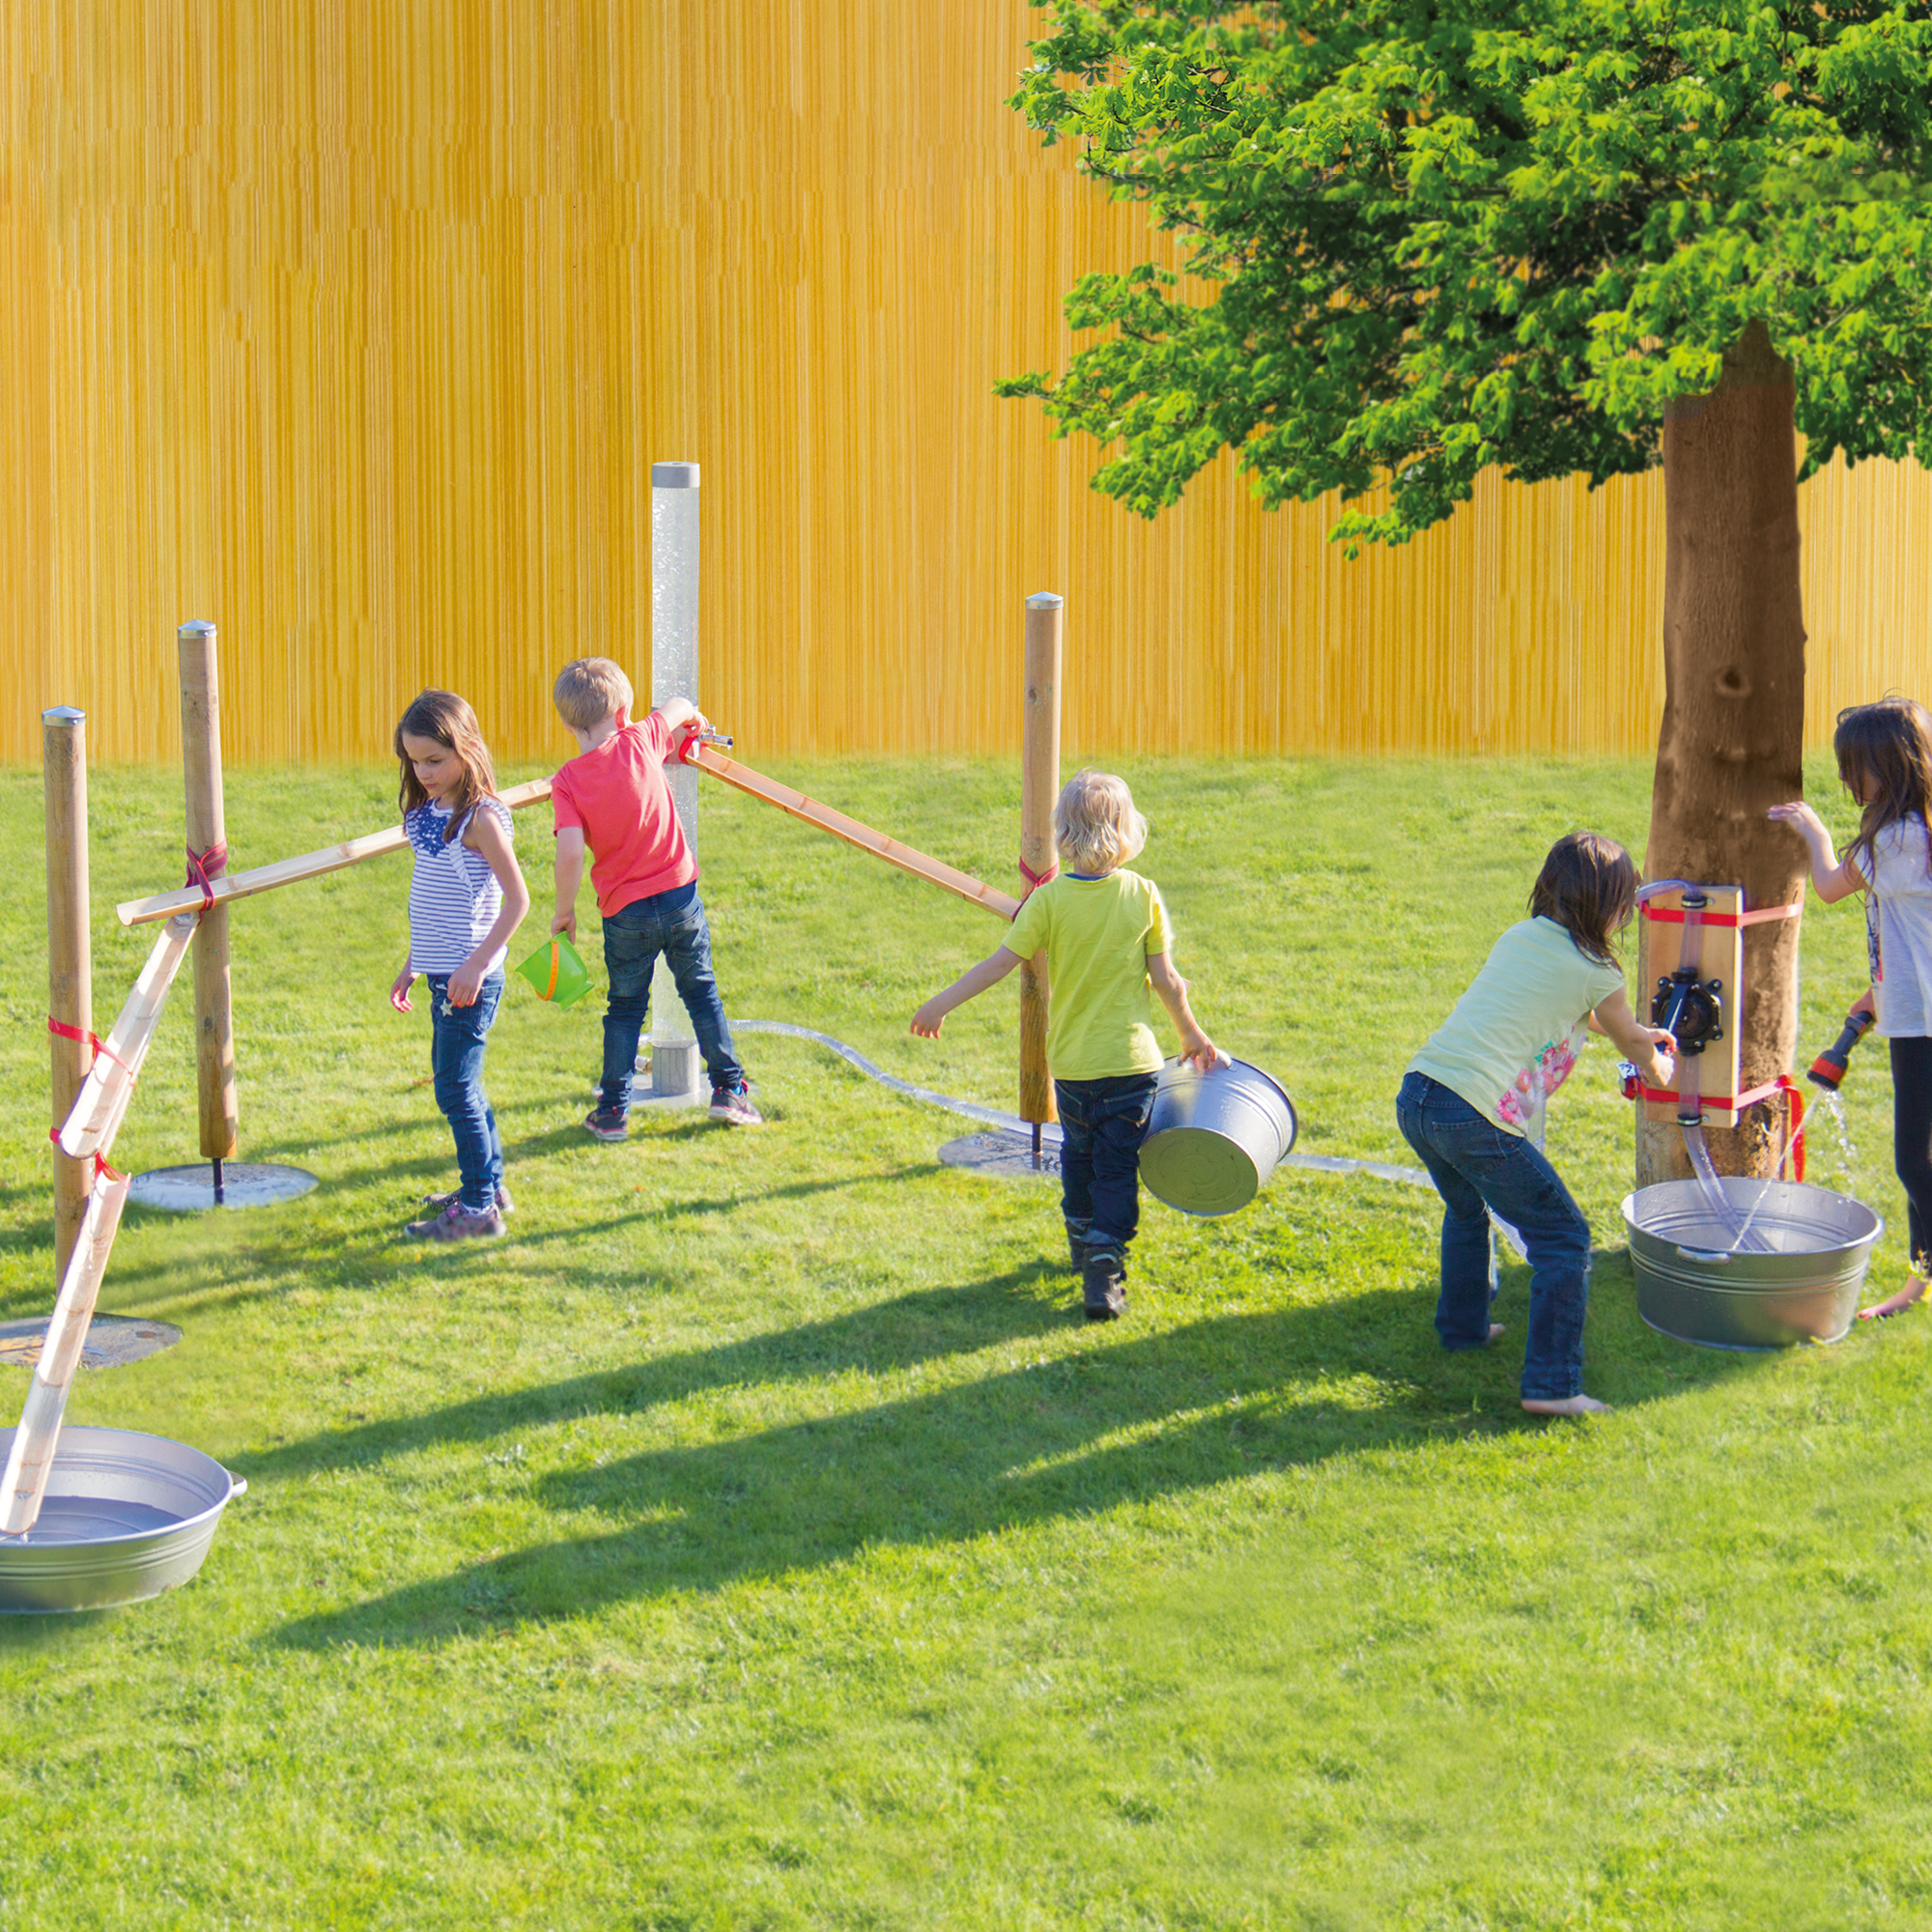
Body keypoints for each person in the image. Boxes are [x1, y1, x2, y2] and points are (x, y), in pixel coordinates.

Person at [910, 771, 1226, 1321]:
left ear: (1063, 833)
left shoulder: (1049, 900)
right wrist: (1190, 1035)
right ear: (1127, 831)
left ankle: (1082, 1236)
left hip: (1073, 1068)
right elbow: (1168, 982)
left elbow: (999, 965)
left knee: (1078, 1154)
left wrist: (940, 1003)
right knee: (1116, 1167)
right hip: (1131, 1067)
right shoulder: (1142, 893)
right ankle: (1104, 1261)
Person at [1395, 833, 1675, 1416]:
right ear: (1609, 907)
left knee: (1466, 1211)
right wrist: (1659, 1064)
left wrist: (1631, 1032)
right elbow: (1632, 1044)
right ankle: (1552, 1387)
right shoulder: (1598, 970)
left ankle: (1464, 1328)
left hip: (1421, 1093)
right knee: (1564, 1239)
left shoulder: (1520, 936)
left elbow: (1564, 1006)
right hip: (1475, 1116)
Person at [548, 657, 759, 1139]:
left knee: (625, 1009)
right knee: (701, 992)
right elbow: (679, 705)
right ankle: (729, 1090)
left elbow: (570, 853)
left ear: (568, 724)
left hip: (625, 913)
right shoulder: (641, 738)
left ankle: (612, 1111)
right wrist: (694, 718)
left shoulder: (567, 782)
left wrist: (564, 911)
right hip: (680, 896)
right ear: (624, 713)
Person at [1770, 696, 1932, 1318]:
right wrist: (1879, 993)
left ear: (1885, 767)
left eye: (1853, 767)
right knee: (1922, 1162)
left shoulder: (1893, 839)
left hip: (1922, 1025)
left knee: (1914, 1163)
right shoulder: (1917, 832)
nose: (1845, 779)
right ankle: (1919, 1282)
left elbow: (1831, 886)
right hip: (1912, 1012)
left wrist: (1813, 832)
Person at [389, 690, 530, 1240]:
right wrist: (414, 963)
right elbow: (436, 903)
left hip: (468, 980)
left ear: (466, 749)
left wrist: (474, 967)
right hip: (443, 972)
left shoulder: (479, 820)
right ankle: (488, 1187)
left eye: (434, 760)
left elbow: (517, 901)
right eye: (414, 761)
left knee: (453, 1090)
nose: (423, 772)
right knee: (463, 1085)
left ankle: (478, 1210)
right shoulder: (431, 814)